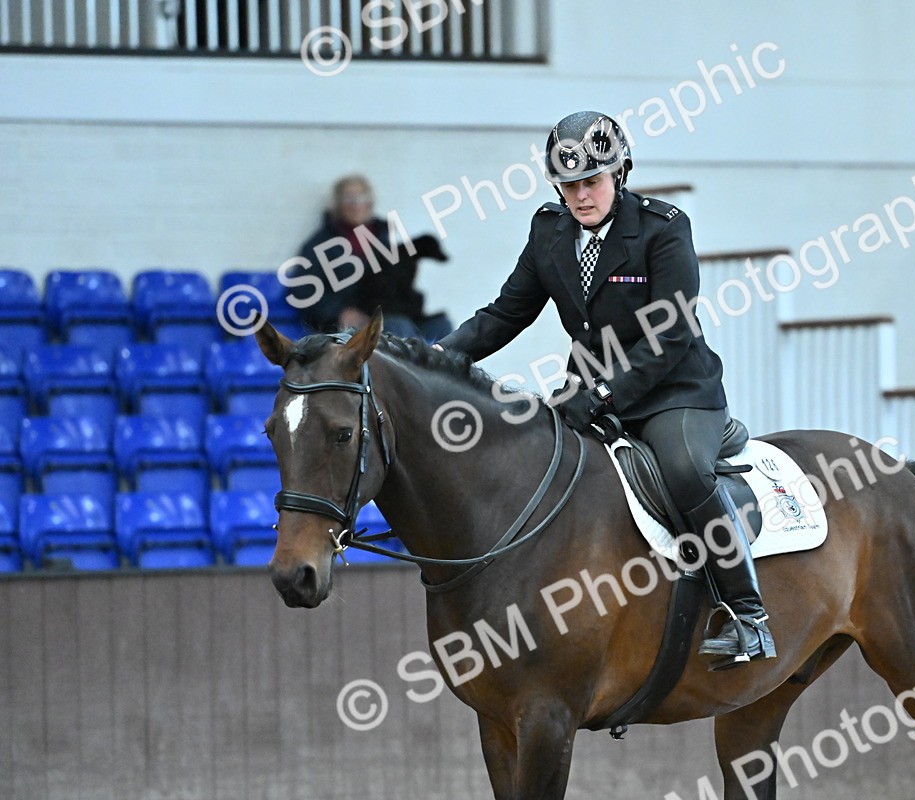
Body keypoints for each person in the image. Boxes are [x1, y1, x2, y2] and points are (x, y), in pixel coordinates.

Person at [435, 111, 774, 668]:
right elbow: (505, 313)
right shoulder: (549, 230)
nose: (580, 196)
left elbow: (669, 334)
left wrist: (603, 394)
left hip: (676, 393)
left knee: (685, 470)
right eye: (569, 186)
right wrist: (436, 357)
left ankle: (748, 615)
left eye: (591, 182)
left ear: (620, 174)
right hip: (590, 392)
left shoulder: (664, 229)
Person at [293, 175, 453, 340]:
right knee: (397, 327)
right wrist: (339, 313)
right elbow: (304, 291)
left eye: (361, 196)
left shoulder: (382, 240)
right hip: (350, 326)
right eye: (348, 197)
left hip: (387, 315)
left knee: (441, 326)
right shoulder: (319, 245)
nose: (355, 204)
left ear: (370, 202)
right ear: (338, 204)